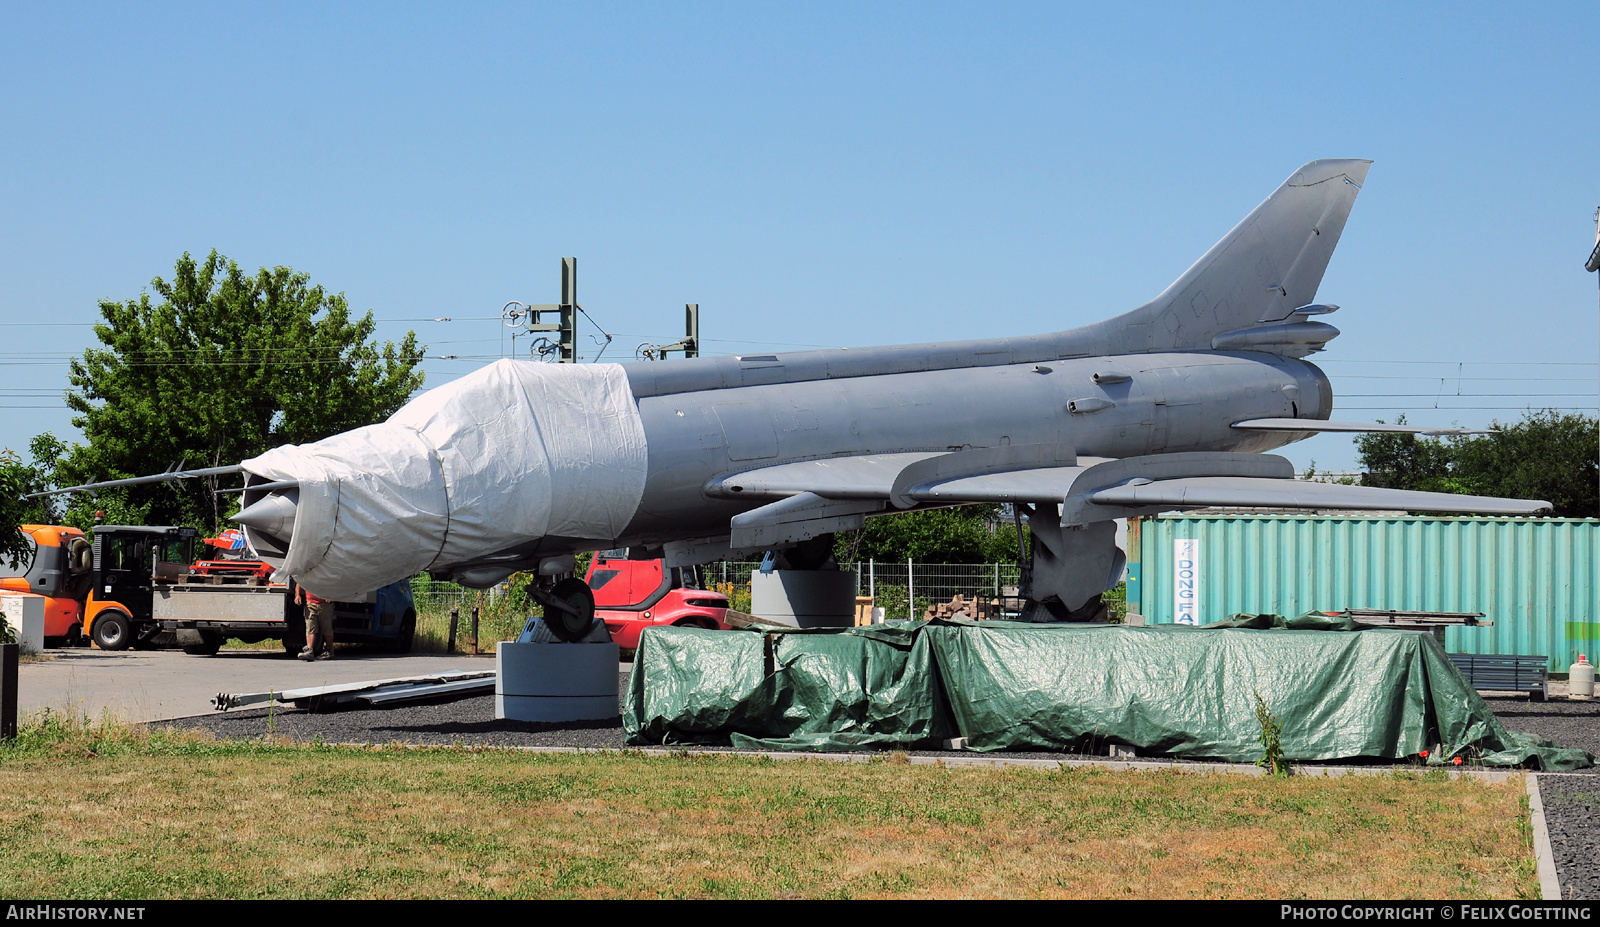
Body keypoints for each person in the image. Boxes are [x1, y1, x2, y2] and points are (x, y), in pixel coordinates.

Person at [294, 582, 334, 661]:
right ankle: (310, 651)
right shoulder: (308, 574)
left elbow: (334, 584)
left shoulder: (326, 573)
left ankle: (329, 650)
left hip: (325, 605)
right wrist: (297, 595)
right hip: (310, 604)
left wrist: (330, 595)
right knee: (310, 627)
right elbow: (299, 583)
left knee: (327, 629)